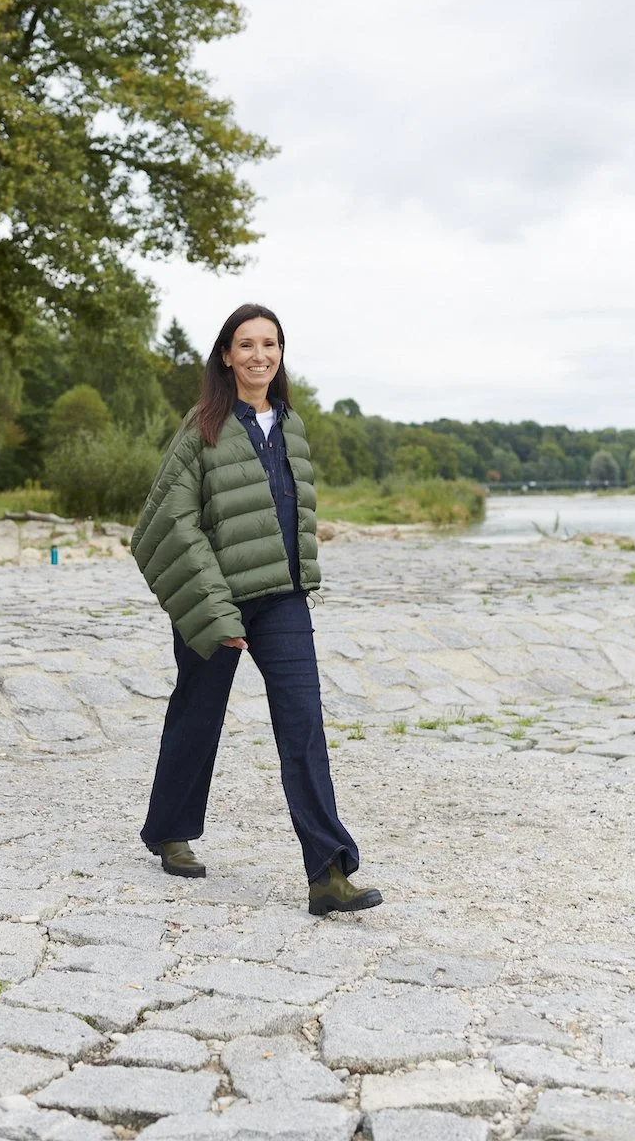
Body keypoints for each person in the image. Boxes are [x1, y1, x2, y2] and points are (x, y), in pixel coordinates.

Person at [131, 304, 382, 915]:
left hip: (284, 602)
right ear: (226, 355)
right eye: (247, 344)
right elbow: (169, 521)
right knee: (197, 714)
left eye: (270, 344)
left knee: (304, 725)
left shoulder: (291, 425)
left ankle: (328, 873)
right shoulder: (203, 427)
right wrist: (218, 612)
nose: (259, 355)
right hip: (217, 602)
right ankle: (169, 830)